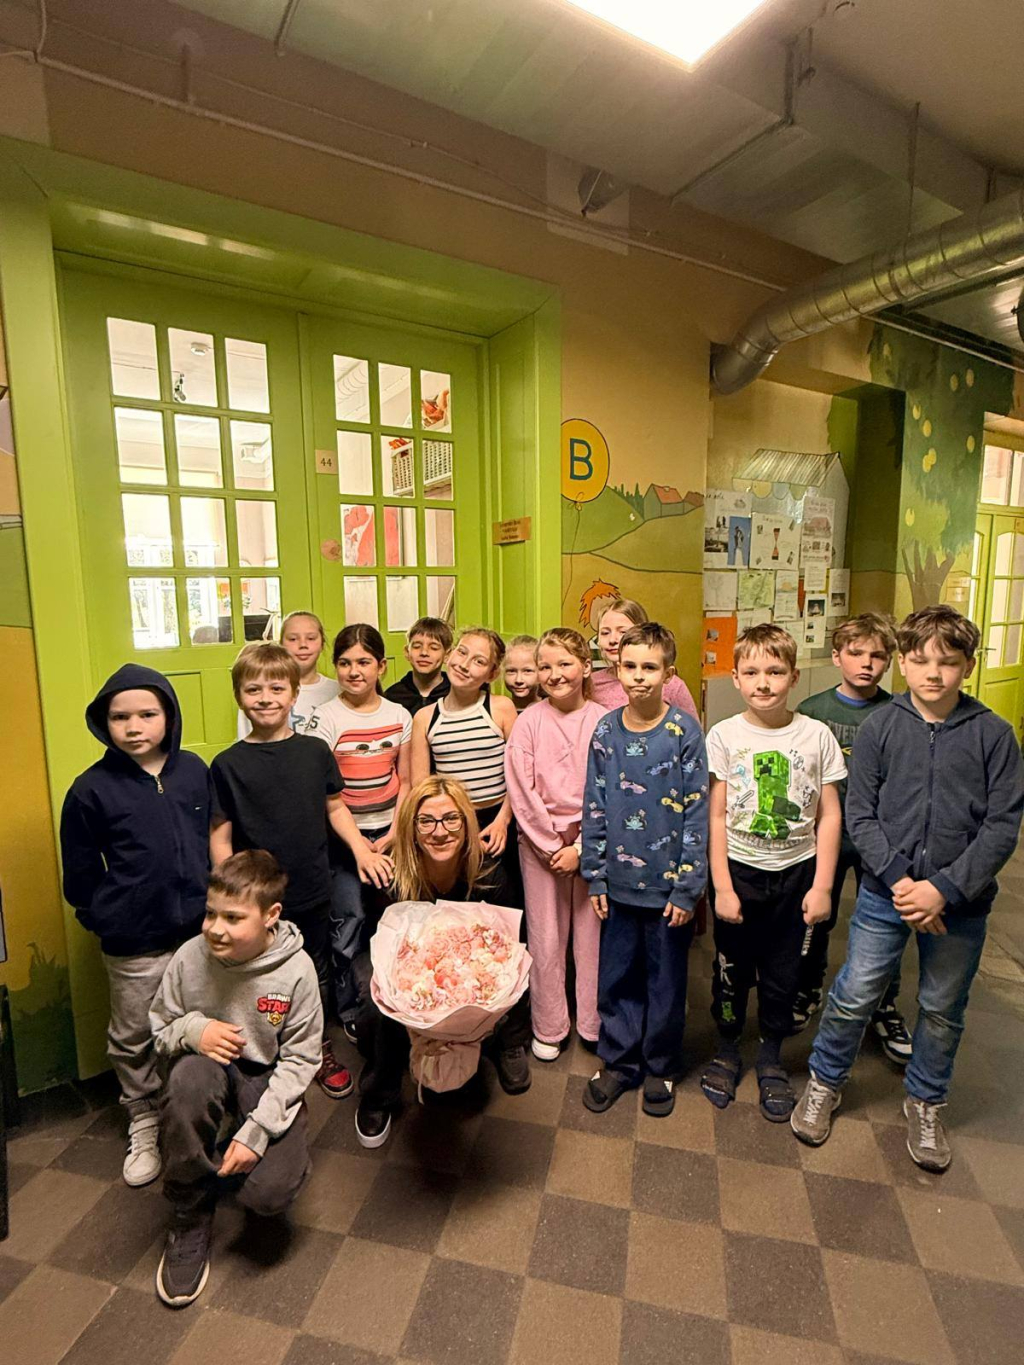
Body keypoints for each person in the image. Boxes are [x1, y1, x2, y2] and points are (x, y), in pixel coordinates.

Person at [792, 606, 1024, 1171]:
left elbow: (1002, 826)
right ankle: (825, 1080)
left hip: (960, 903)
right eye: (920, 660)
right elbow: (860, 814)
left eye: (948, 662)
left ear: (969, 666)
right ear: (903, 662)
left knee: (942, 1007)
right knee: (855, 992)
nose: (933, 674)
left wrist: (942, 889)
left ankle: (925, 1099)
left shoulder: (994, 735)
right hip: (884, 893)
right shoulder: (882, 726)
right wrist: (902, 882)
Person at [210, 642, 391, 1102]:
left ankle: (315, 1048)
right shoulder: (227, 764)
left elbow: (336, 809)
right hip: (255, 900)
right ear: (239, 697)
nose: (265, 698)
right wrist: (226, 897)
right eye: (253, 689)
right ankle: (263, 1056)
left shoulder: (314, 751)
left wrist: (361, 850)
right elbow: (221, 836)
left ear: (294, 695)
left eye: (276, 688)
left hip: (312, 886)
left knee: (314, 971)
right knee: (257, 976)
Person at [60, 665, 212, 1188]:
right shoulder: (90, 790)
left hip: (200, 934)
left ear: (169, 715)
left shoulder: (194, 771)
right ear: (104, 723)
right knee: (134, 1033)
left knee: (199, 1022)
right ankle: (144, 1117)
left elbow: (213, 839)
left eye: (147, 714)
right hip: (134, 942)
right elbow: (80, 875)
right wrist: (106, 915)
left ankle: (200, 1109)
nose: (133, 726)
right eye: (119, 717)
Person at [150, 850, 322, 1308]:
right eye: (210, 913)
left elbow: (302, 1060)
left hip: (266, 1075)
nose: (215, 928)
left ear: (271, 915)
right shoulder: (190, 957)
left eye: (233, 917)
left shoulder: (297, 970)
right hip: (205, 1068)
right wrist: (193, 1030)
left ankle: (240, 1145)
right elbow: (159, 1030)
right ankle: (189, 1208)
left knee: (268, 1195)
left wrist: (258, 1132)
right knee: (187, 1081)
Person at [703, 624, 845, 1122]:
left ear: (794, 676)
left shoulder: (816, 736)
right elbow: (716, 815)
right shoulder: (724, 735)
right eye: (752, 672)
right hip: (739, 872)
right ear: (736, 678)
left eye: (775, 671)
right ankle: (727, 1048)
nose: (763, 683)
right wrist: (721, 886)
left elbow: (830, 816)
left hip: (796, 876)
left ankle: (770, 1056)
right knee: (731, 970)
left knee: (785, 974)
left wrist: (823, 886)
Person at [353, 776, 533, 1148]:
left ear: (466, 824)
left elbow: (510, 943)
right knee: (373, 998)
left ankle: (509, 1043)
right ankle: (380, 1089)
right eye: (427, 821)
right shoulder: (392, 874)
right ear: (412, 827)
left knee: (517, 970)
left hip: (468, 967)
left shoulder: (489, 872)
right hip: (409, 963)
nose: (440, 831)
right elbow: (380, 942)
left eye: (451, 819)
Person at [581, 623, 708, 1117]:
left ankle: (660, 1064)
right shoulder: (606, 731)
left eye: (649, 667)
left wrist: (688, 887)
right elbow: (594, 804)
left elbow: (697, 811)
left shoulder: (684, 731)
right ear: (617, 668)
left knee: (666, 982)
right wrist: (595, 872)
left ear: (668, 674)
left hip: (668, 890)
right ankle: (619, 1062)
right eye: (630, 666)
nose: (638, 676)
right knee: (616, 978)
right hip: (616, 886)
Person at [794, 614, 913, 1063]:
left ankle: (883, 1003)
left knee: (885, 923)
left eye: (878, 656)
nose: (867, 663)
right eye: (856, 653)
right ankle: (807, 988)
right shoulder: (814, 711)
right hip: (823, 835)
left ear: (890, 661)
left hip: (881, 839)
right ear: (837, 656)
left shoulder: (899, 713)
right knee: (814, 916)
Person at [506, 628, 606, 1060]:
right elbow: (521, 790)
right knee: (545, 938)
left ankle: (593, 1022)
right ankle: (549, 1025)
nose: (554, 674)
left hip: (592, 842)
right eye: (544, 666)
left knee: (592, 937)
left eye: (564, 663)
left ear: (585, 666)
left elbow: (610, 790)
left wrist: (581, 848)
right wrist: (550, 846)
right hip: (539, 845)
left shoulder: (604, 721)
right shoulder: (529, 722)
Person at [306, 625, 412, 1028]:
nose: (354, 671)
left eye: (364, 662)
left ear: (381, 666)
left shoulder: (398, 715)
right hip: (343, 840)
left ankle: (403, 997)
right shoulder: (324, 719)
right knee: (347, 919)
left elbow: (406, 780)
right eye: (345, 663)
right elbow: (327, 795)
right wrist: (360, 848)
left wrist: (396, 832)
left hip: (390, 834)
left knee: (400, 912)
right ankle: (349, 1008)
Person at [412, 626, 518, 859]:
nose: (464, 664)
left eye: (479, 661)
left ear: (492, 674)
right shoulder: (425, 718)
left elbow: (519, 773)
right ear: (450, 654)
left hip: (498, 821)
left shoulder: (501, 708)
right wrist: (455, 829)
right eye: (462, 652)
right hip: (450, 824)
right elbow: (421, 787)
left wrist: (503, 820)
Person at [591, 598, 699, 721]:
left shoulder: (672, 685)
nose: (612, 640)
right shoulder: (591, 683)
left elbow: (692, 729)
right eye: (605, 633)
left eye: (623, 632)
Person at [236, 611, 337, 738]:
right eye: (293, 639)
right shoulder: (258, 693)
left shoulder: (337, 690)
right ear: (281, 644)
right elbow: (247, 740)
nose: (303, 645)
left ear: (322, 644)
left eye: (311, 638)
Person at [384, 616, 453, 716]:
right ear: (407, 652)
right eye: (417, 646)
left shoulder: (456, 695)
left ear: (447, 655)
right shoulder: (391, 697)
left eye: (434, 648)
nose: (424, 652)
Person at [503, 635, 540, 712]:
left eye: (527, 671)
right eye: (511, 671)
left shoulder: (551, 711)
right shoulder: (498, 711)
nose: (518, 680)